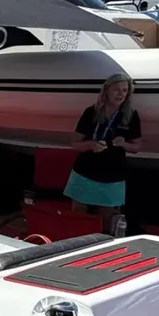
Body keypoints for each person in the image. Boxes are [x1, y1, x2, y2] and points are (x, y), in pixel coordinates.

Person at [64, 73, 142, 233]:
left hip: (113, 175)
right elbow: (74, 143)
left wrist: (124, 144)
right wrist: (91, 145)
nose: (121, 94)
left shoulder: (131, 116)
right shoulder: (91, 112)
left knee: (106, 222)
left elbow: (136, 147)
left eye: (124, 90)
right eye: (116, 89)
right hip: (85, 173)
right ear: (106, 90)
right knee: (77, 218)